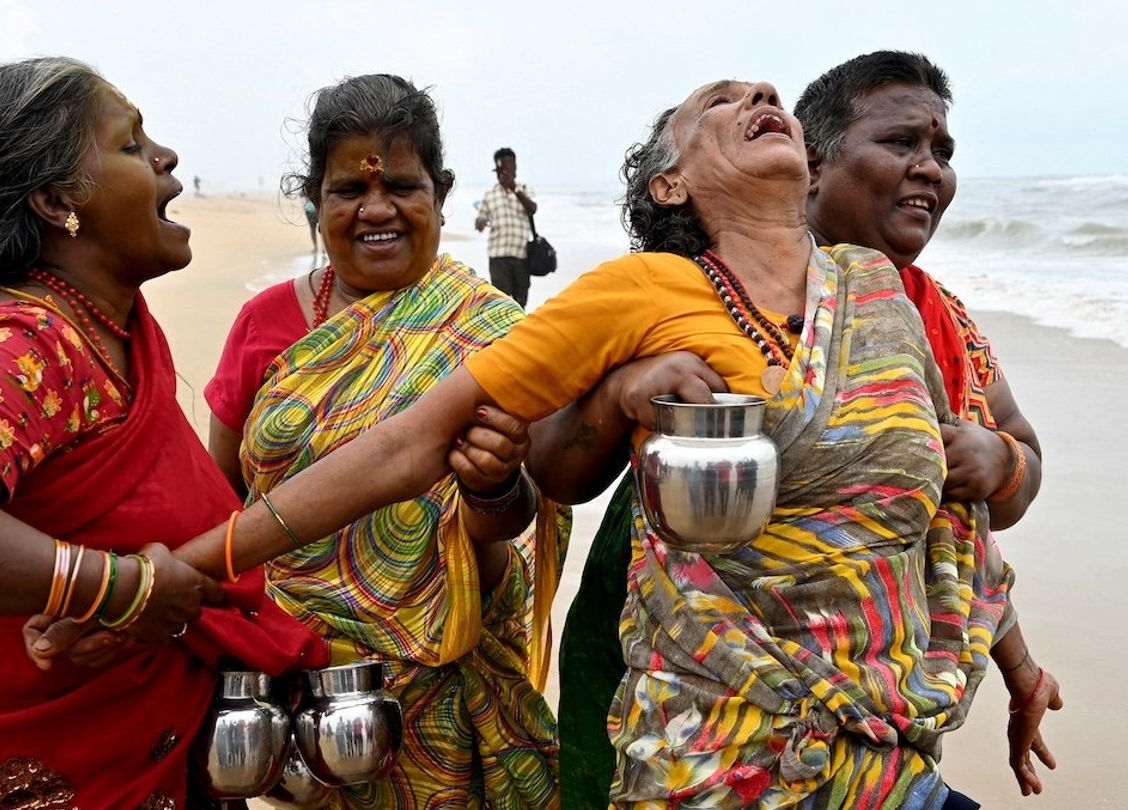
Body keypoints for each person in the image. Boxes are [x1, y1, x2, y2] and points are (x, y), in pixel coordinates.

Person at [166, 77, 1016, 808]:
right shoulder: (645, 293)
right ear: (673, 185)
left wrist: (1014, 655)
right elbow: (416, 446)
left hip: (888, 729)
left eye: (766, 93)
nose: (759, 95)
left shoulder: (880, 296)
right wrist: (183, 568)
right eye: (718, 101)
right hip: (720, 739)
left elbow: (945, 522)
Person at [549, 51, 1061, 805]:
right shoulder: (693, 283)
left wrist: (1001, 460)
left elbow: (964, 517)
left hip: (873, 688)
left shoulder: (934, 317)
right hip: (684, 656)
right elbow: (557, 466)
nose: (929, 169)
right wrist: (624, 393)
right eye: (900, 144)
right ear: (811, 164)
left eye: (942, 152)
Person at [0, 57, 326, 808]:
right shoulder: (21, 344)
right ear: (56, 200)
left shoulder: (104, 334)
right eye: (131, 145)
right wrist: (122, 589)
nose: (167, 157)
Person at [203, 74, 571, 808]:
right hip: (298, 700)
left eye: (402, 185)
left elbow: (513, 530)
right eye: (348, 191)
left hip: (441, 693)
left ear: (440, 192)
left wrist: (492, 489)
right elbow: (223, 507)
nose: (377, 209)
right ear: (315, 199)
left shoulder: (499, 334)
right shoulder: (264, 325)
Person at [475, 147, 537, 307]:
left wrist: (514, 188)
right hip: (498, 256)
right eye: (499, 170)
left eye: (506, 169)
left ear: (514, 168)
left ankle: (517, 331)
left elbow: (532, 209)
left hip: (521, 256)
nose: (503, 173)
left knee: (520, 302)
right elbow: (480, 218)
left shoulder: (525, 189)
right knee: (502, 302)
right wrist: (480, 222)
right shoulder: (490, 195)